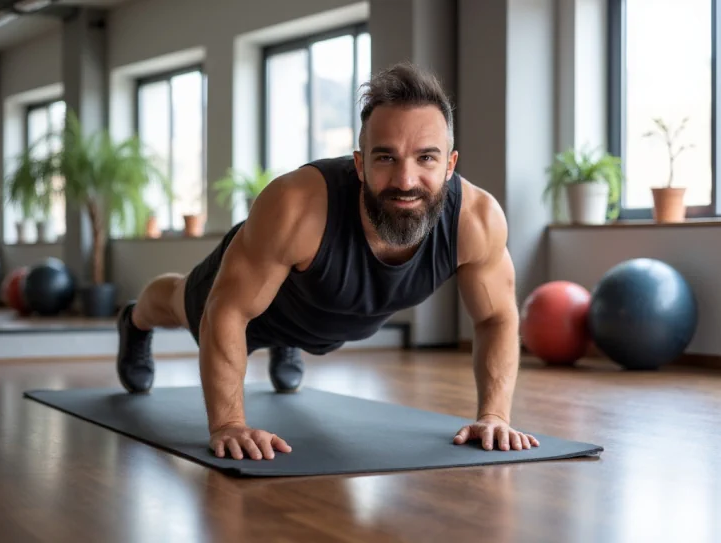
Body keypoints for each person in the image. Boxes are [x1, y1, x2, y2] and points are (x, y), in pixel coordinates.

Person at [115, 62, 540, 461]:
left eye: (426, 157)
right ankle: (134, 321)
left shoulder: (477, 221)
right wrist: (229, 424)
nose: (406, 180)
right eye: (386, 157)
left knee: (299, 307)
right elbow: (226, 311)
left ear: (450, 165)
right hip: (250, 299)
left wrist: (495, 416)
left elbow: (496, 319)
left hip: (326, 313)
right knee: (176, 300)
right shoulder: (296, 206)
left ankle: (289, 342)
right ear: (359, 163)